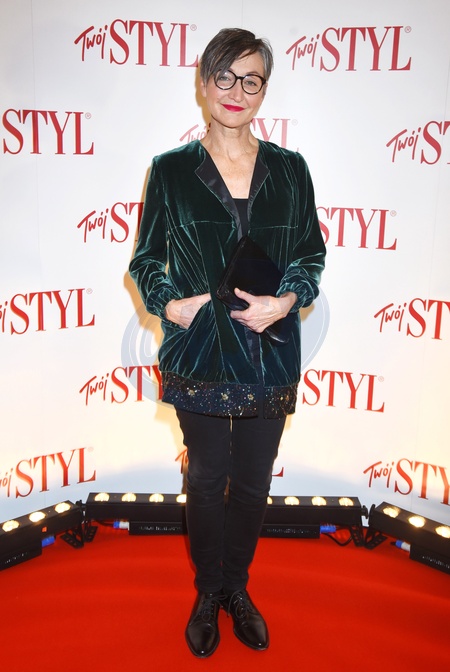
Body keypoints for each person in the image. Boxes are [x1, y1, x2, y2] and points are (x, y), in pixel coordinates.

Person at [129, 27, 326, 658]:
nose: (237, 91)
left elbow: (311, 254)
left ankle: (236, 587)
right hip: (202, 351)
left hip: (270, 350)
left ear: (264, 91)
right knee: (207, 475)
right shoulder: (170, 171)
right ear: (203, 80)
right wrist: (170, 305)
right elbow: (145, 261)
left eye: (252, 80)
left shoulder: (291, 170)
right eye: (225, 76)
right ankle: (207, 591)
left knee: (253, 481)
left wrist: (287, 300)